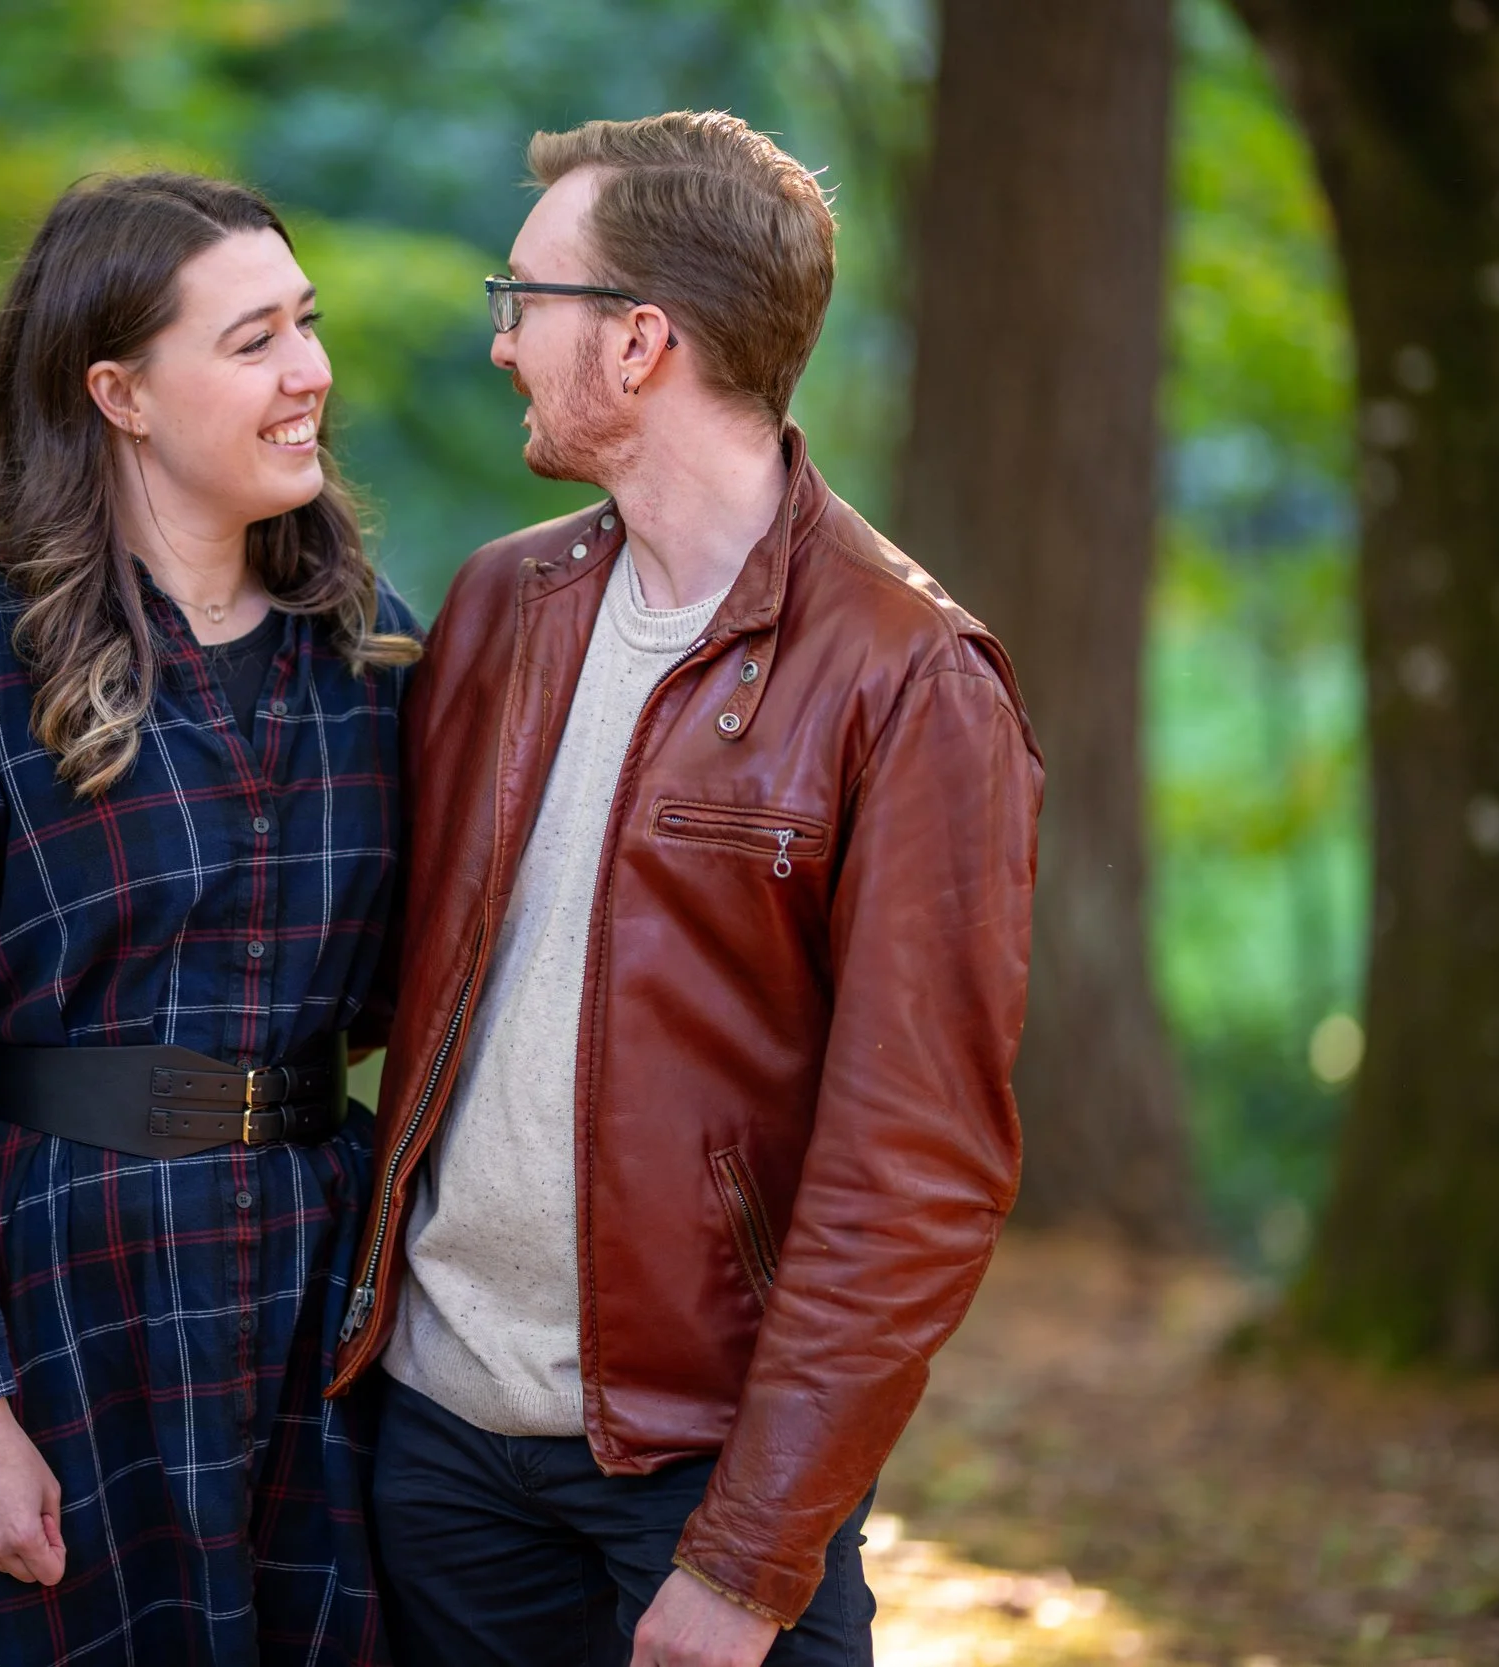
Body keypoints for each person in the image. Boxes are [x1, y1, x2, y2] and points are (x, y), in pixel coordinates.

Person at [330, 113, 1044, 1667]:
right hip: (438, 1450)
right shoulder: (500, 604)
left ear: (641, 338)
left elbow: (914, 1170)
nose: (505, 344)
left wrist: (751, 1552)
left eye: (527, 299)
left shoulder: (910, 679)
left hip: (700, 1477)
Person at [0, 171, 420, 1666]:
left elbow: (420, 988)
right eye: (256, 338)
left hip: (306, 1305)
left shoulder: (370, 644)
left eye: (309, 325)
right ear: (121, 393)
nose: (309, 371)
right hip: (58, 1303)